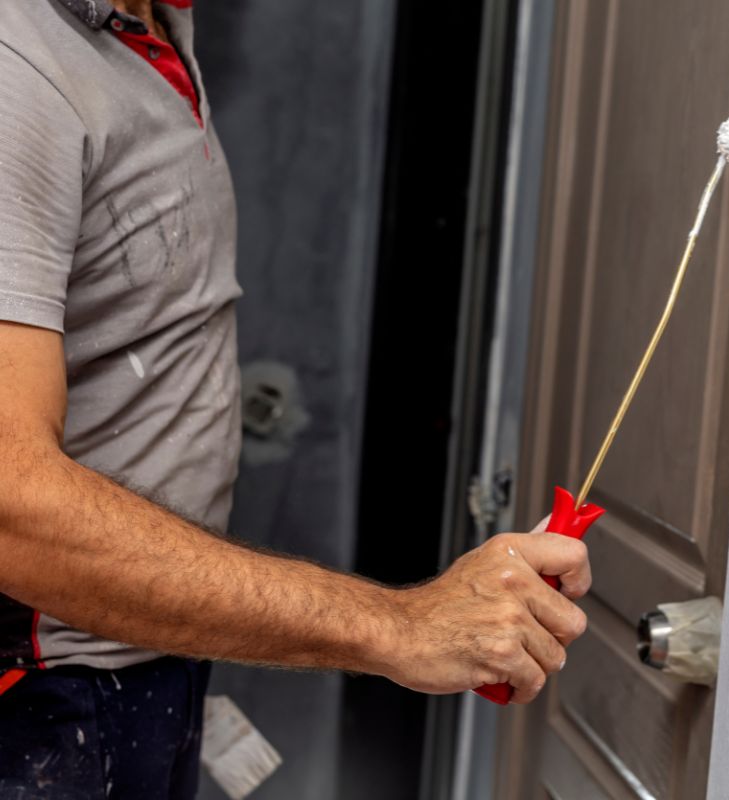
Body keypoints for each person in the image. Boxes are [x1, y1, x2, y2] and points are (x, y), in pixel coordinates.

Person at [0, 1, 590, 796]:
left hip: (142, 666)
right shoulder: (18, 63)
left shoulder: (152, 25)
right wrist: (402, 625)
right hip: (44, 699)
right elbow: (11, 504)